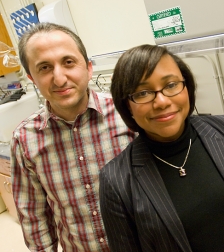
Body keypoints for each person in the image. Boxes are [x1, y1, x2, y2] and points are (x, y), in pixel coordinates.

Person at [99, 44, 224, 252]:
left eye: (170, 85)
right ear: (127, 106)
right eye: (143, 92)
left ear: (186, 87)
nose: (161, 101)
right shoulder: (116, 180)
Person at [11, 22, 134, 252]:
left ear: (88, 68)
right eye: (45, 68)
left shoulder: (128, 112)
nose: (59, 79)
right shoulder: (25, 140)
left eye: (68, 62)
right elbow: (34, 217)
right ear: (32, 78)